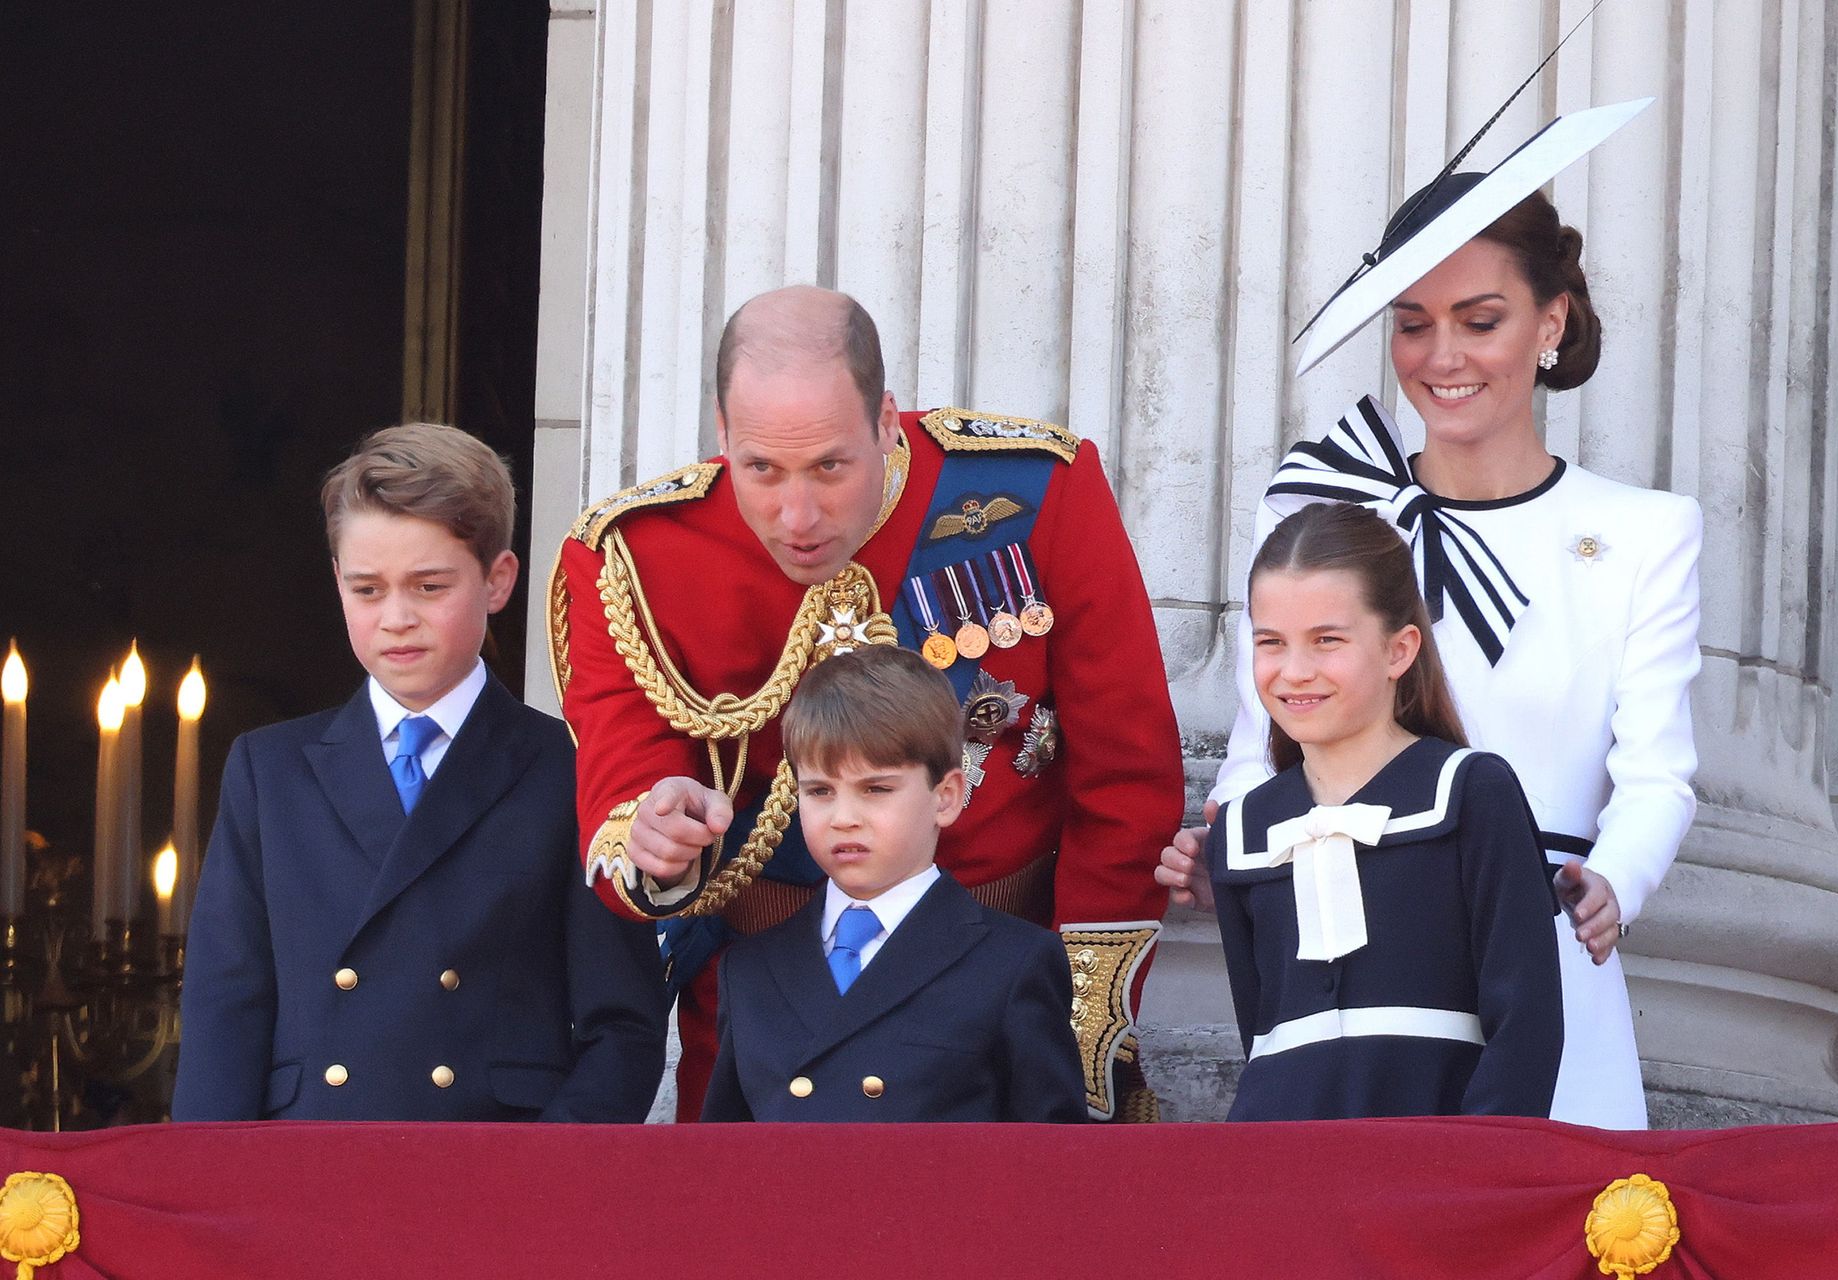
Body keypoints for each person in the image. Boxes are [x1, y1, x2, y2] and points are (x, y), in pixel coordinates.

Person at [1160, 107, 1701, 1128]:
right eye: (1413, 323)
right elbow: (1262, 733)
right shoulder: (1318, 506)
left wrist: (1613, 883)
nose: (1442, 355)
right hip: (1352, 956)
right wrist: (1229, 839)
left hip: (1542, 944)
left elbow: (1657, 772)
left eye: (1480, 320)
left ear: (1550, 322)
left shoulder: (1644, 532)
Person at [550, 285, 1181, 1121]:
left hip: (997, 1002)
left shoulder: (1034, 492)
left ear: (886, 422)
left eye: (830, 467)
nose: (798, 515)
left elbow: (1126, 781)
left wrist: (1081, 1029)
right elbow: (622, 789)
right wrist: (657, 834)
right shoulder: (634, 554)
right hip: (769, 1015)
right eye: (761, 470)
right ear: (722, 433)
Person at [174, 423, 668, 1122]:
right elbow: (225, 1013)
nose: (397, 618)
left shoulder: (571, 769)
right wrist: (213, 1185)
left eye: (429, 586)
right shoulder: (269, 770)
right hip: (308, 1163)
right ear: (337, 582)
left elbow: (624, 1027)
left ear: (498, 580)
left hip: (493, 1165)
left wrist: (544, 1171)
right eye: (367, 590)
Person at [1209, 502, 1561, 1120]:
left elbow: (1527, 1026)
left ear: (1399, 650)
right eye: (1271, 643)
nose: (1295, 671)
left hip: (1437, 1148)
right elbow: (1259, 1033)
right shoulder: (1240, 831)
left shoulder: (1471, 792)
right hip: (1275, 1153)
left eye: (1327, 641)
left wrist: (1478, 1165)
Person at [702, 645, 1087, 1122]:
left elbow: (1050, 1154)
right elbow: (728, 1154)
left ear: (946, 797)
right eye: (820, 791)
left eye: (876, 789)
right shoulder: (749, 970)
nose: (843, 818)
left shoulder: (1013, 962)